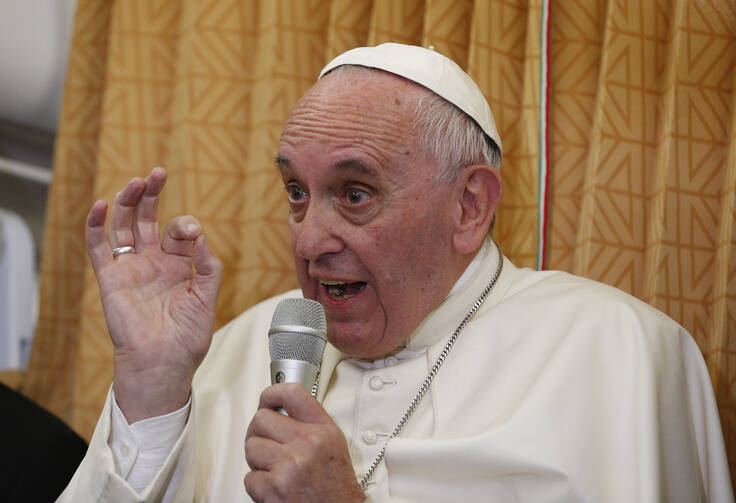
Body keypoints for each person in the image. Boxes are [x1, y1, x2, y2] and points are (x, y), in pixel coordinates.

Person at [59, 43, 732, 502]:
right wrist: (152, 390)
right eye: (297, 191)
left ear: (469, 206)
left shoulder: (614, 350)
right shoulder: (236, 345)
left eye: (355, 193)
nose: (310, 238)